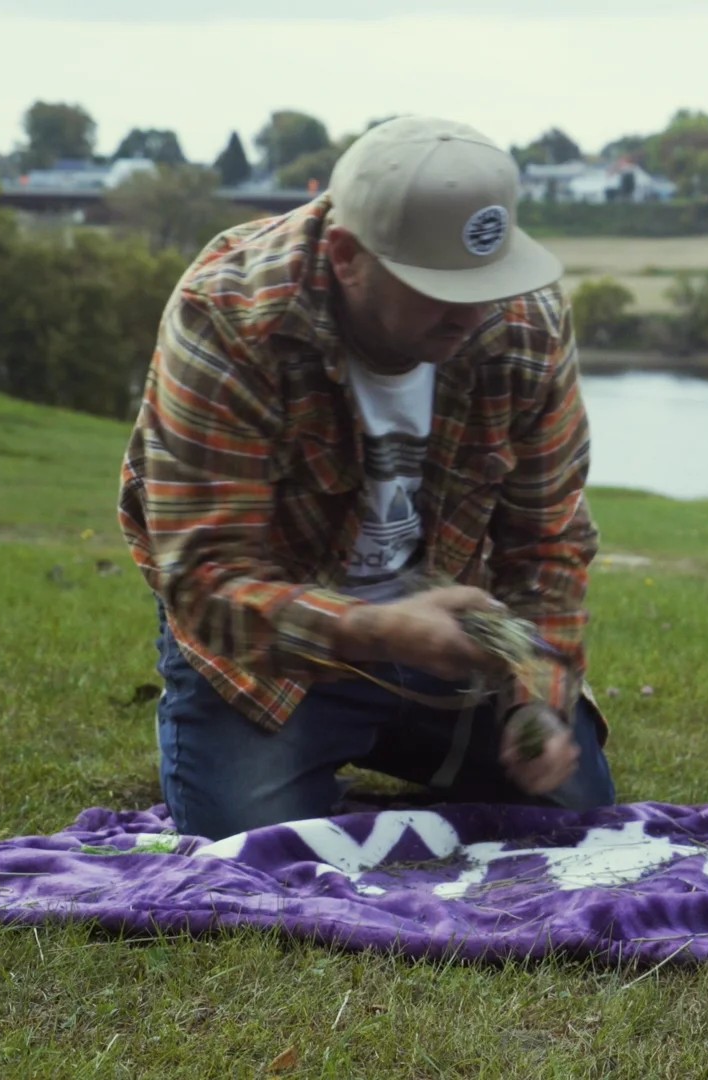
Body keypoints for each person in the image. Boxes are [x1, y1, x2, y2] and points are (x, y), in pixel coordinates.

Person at [118, 115, 614, 839]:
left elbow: (549, 543)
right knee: (257, 849)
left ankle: (409, 744)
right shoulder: (229, 316)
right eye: (439, 288)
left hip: (449, 632)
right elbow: (204, 580)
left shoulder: (524, 324)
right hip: (269, 652)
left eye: (487, 281)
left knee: (573, 813)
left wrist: (536, 698)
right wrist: (381, 629)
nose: (474, 313)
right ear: (347, 255)